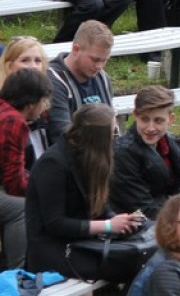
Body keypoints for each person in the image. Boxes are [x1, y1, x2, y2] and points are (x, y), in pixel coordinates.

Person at [26, 104, 146, 281]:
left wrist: (122, 223)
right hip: (54, 250)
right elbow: (55, 224)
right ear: (98, 139)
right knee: (132, 263)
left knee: (143, 252)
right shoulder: (52, 165)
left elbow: (100, 209)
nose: (116, 138)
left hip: (82, 242)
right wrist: (108, 225)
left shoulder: (89, 158)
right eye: (113, 133)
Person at [110, 86, 180, 219]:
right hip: (134, 226)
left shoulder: (169, 142)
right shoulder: (122, 154)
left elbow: (177, 189)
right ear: (135, 115)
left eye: (158, 120)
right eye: (145, 119)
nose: (151, 128)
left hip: (163, 214)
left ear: (171, 119)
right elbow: (141, 209)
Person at [0, 69, 51, 269]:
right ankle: (17, 273)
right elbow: (14, 184)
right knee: (20, 208)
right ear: (31, 103)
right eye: (43, 101)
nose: (45, 106)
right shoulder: (14, 121)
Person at [46, 20, 115, 142]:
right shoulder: (54, 82)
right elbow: (62, 136)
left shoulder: (103, 78)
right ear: (76, 49)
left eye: (104, 60)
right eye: (95, 59)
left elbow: (112, 127)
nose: (99, 66)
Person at [0, 38, 49, 172]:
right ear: (9, 66)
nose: (33, 66)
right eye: (25, 60)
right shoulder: (5, 112)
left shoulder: (45, 103)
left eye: (38, 61)